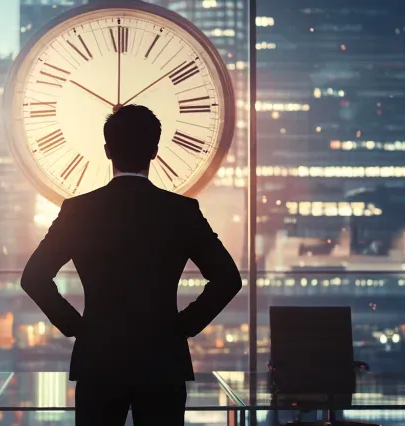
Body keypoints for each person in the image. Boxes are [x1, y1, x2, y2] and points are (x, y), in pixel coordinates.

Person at [21, 105, 242, 426]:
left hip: (99, 357)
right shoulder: (181, 211)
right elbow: (228, 279)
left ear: (108, 150)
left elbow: (34, 278)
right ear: (154, 151)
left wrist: (78, 326)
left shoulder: (79, 211)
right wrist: (183, 326)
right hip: (162, 359)